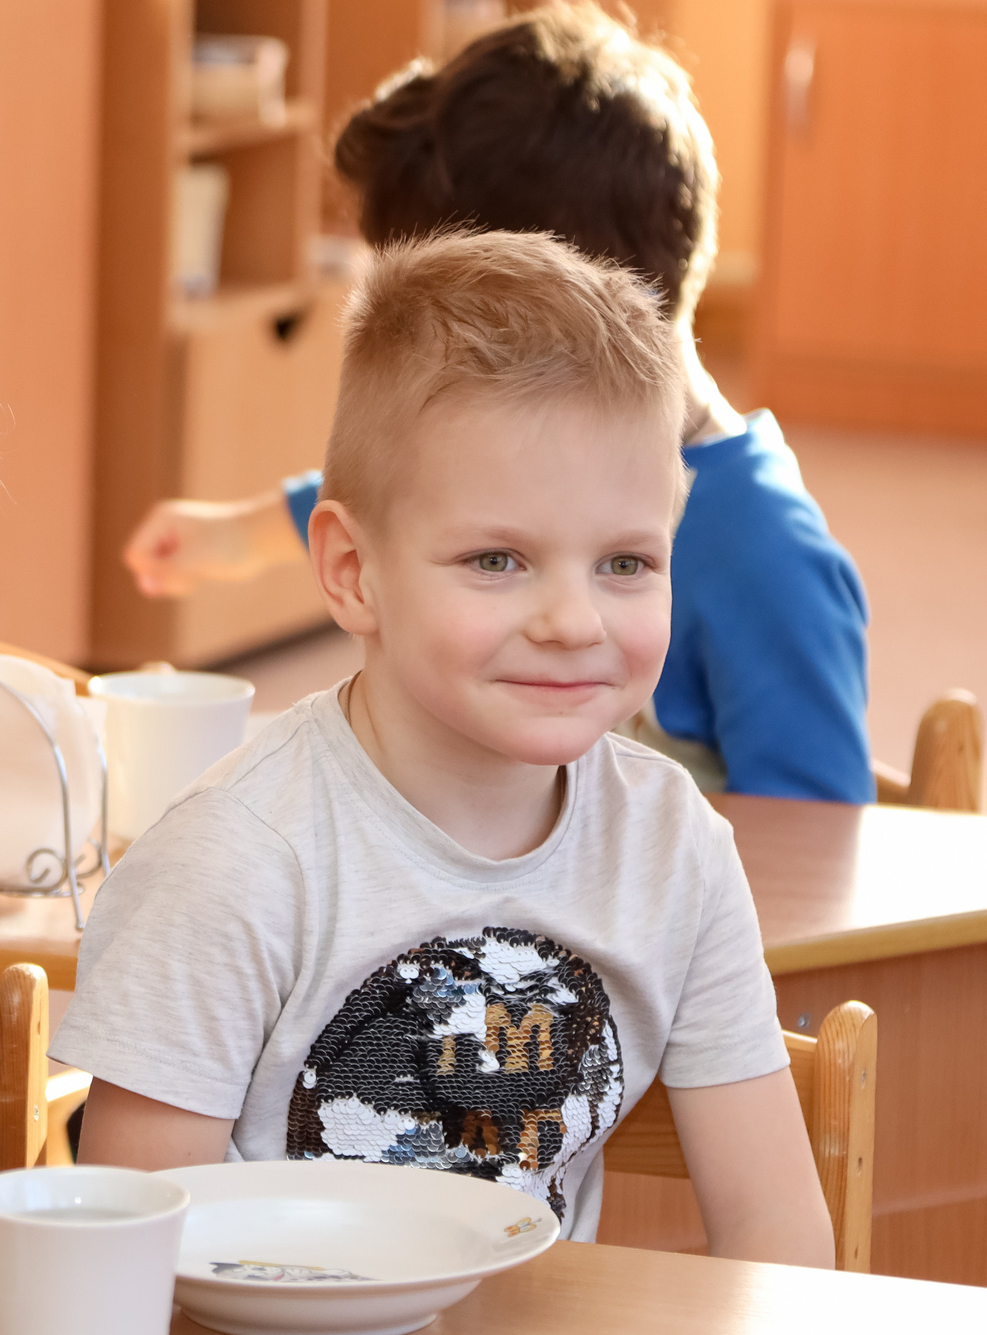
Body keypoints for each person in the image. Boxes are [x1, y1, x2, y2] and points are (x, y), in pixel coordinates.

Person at [45, 230, 987, 1335]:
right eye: (499, 560)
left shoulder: (667, 838)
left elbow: (772, 1231)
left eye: (624, 563)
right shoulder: (241, 856)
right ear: (353, 569)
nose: (574, 616)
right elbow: (135, 1255)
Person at [120, 2, 873, 804]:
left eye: (624, 564)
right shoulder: (536, 464)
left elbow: (822, 856)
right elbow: (423, 491)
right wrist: (236, 535)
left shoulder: (764, 560)